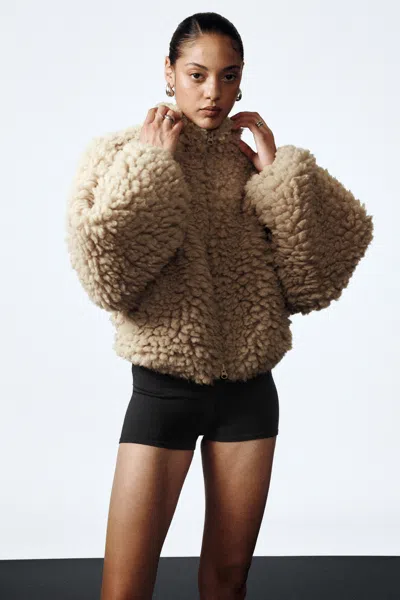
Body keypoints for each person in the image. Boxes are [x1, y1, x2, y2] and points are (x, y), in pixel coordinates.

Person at [65, 11, 374, 600]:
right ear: (169, 72)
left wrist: (278, 181)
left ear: (241, 79)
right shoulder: (121, 154)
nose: (213, 92)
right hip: (164, 391)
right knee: (124, 588)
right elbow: (108, 276)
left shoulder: (253, 161)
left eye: (228, 76)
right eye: (197, 74)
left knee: (229, 583)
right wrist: (150, 169)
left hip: (249, 394)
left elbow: (315, 280)